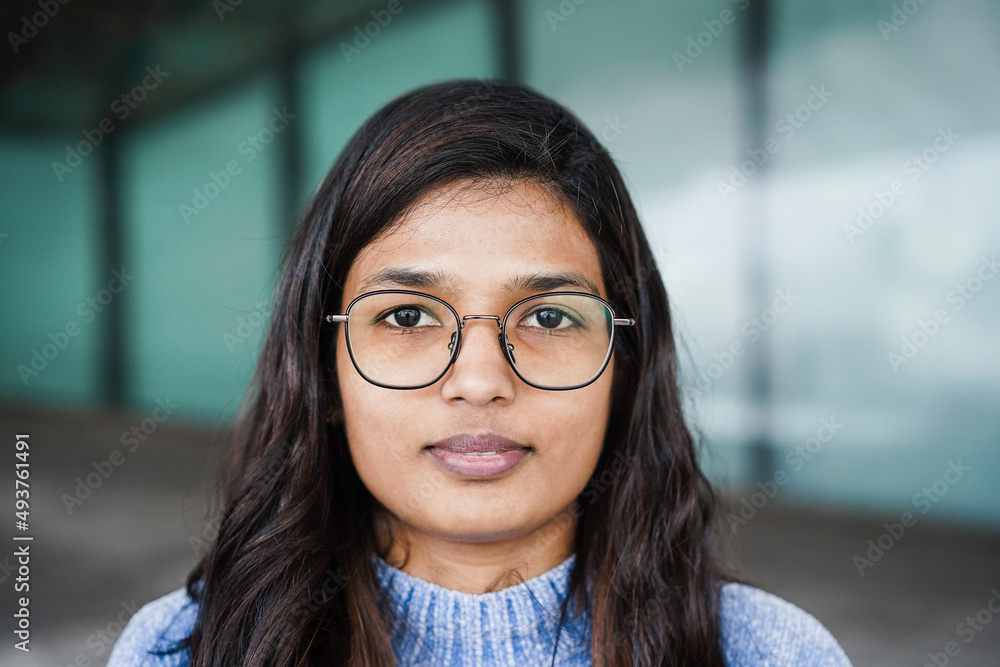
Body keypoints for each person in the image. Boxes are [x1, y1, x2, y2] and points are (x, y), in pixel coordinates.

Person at [108, 79, 852, 666]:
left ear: (623, 368)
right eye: (407, 316)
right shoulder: (181, 651)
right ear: (324, 373)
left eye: (549, 318)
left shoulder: (768, 654)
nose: (479, 380)